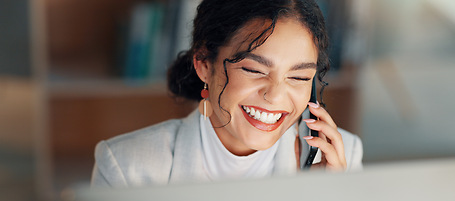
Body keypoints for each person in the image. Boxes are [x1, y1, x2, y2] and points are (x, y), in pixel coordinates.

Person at [91, 0, 363, 188]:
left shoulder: (341, 159)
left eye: (300, 77)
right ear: (204, 64)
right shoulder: (126, 167)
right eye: (255, 70)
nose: (276, 95)